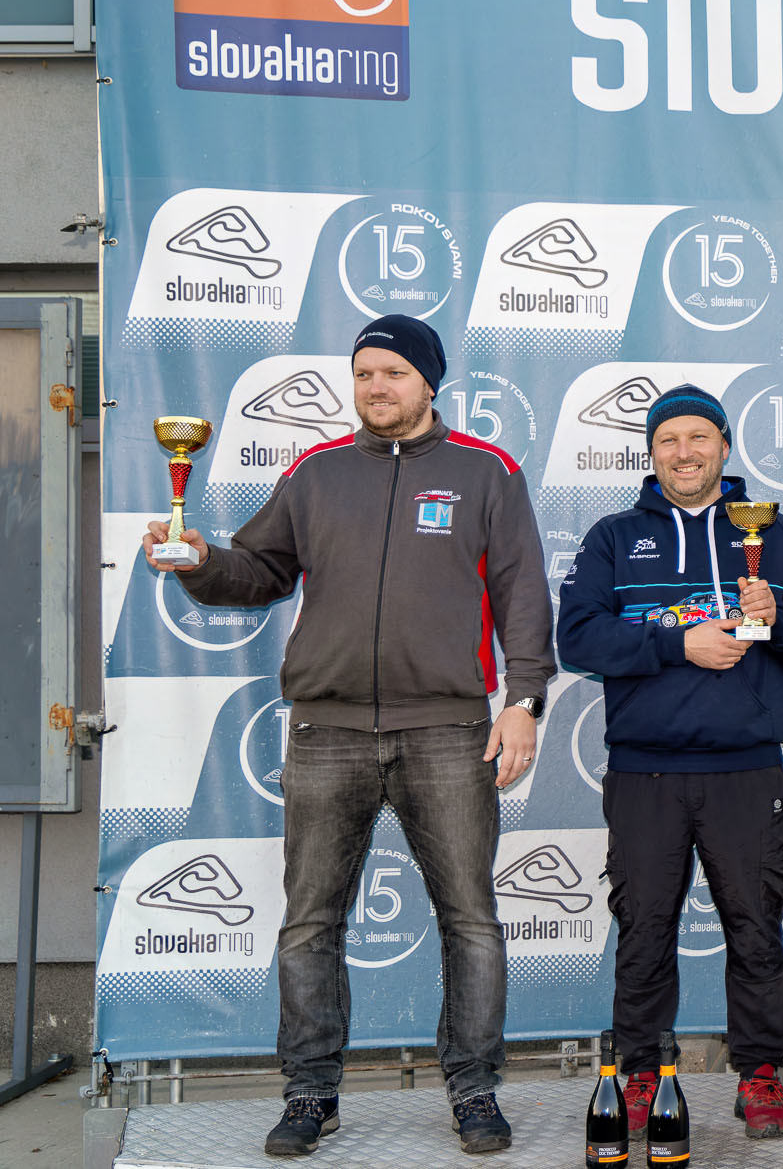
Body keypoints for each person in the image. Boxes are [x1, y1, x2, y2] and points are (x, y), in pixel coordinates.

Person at [144, 314, 554, 1158]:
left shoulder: (488, 471)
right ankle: (310, 1092)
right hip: (326, 730)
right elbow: (260, 571)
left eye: (393, 372)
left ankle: (474, 1088)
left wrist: (524, 699)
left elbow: (523, 591)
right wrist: (200, 559)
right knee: (309, 922)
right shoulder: (316, 471)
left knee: (471, 919)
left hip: (447, 728)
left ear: (429, 382)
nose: (376, 386)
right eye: (365, 372)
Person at [556, 384, 783, 1142]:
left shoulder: (769, 532)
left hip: (744, 769)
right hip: (644, 770)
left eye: (698, 438)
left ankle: (759, 1073)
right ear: (652, 453)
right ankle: (641, 1072)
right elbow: (577, 638)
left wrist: (780, 619)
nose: (684, 453)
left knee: (755, 925)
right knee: (644, 925)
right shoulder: (615, 536)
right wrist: (677, 643)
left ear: (723, 445)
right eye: (668, 441)